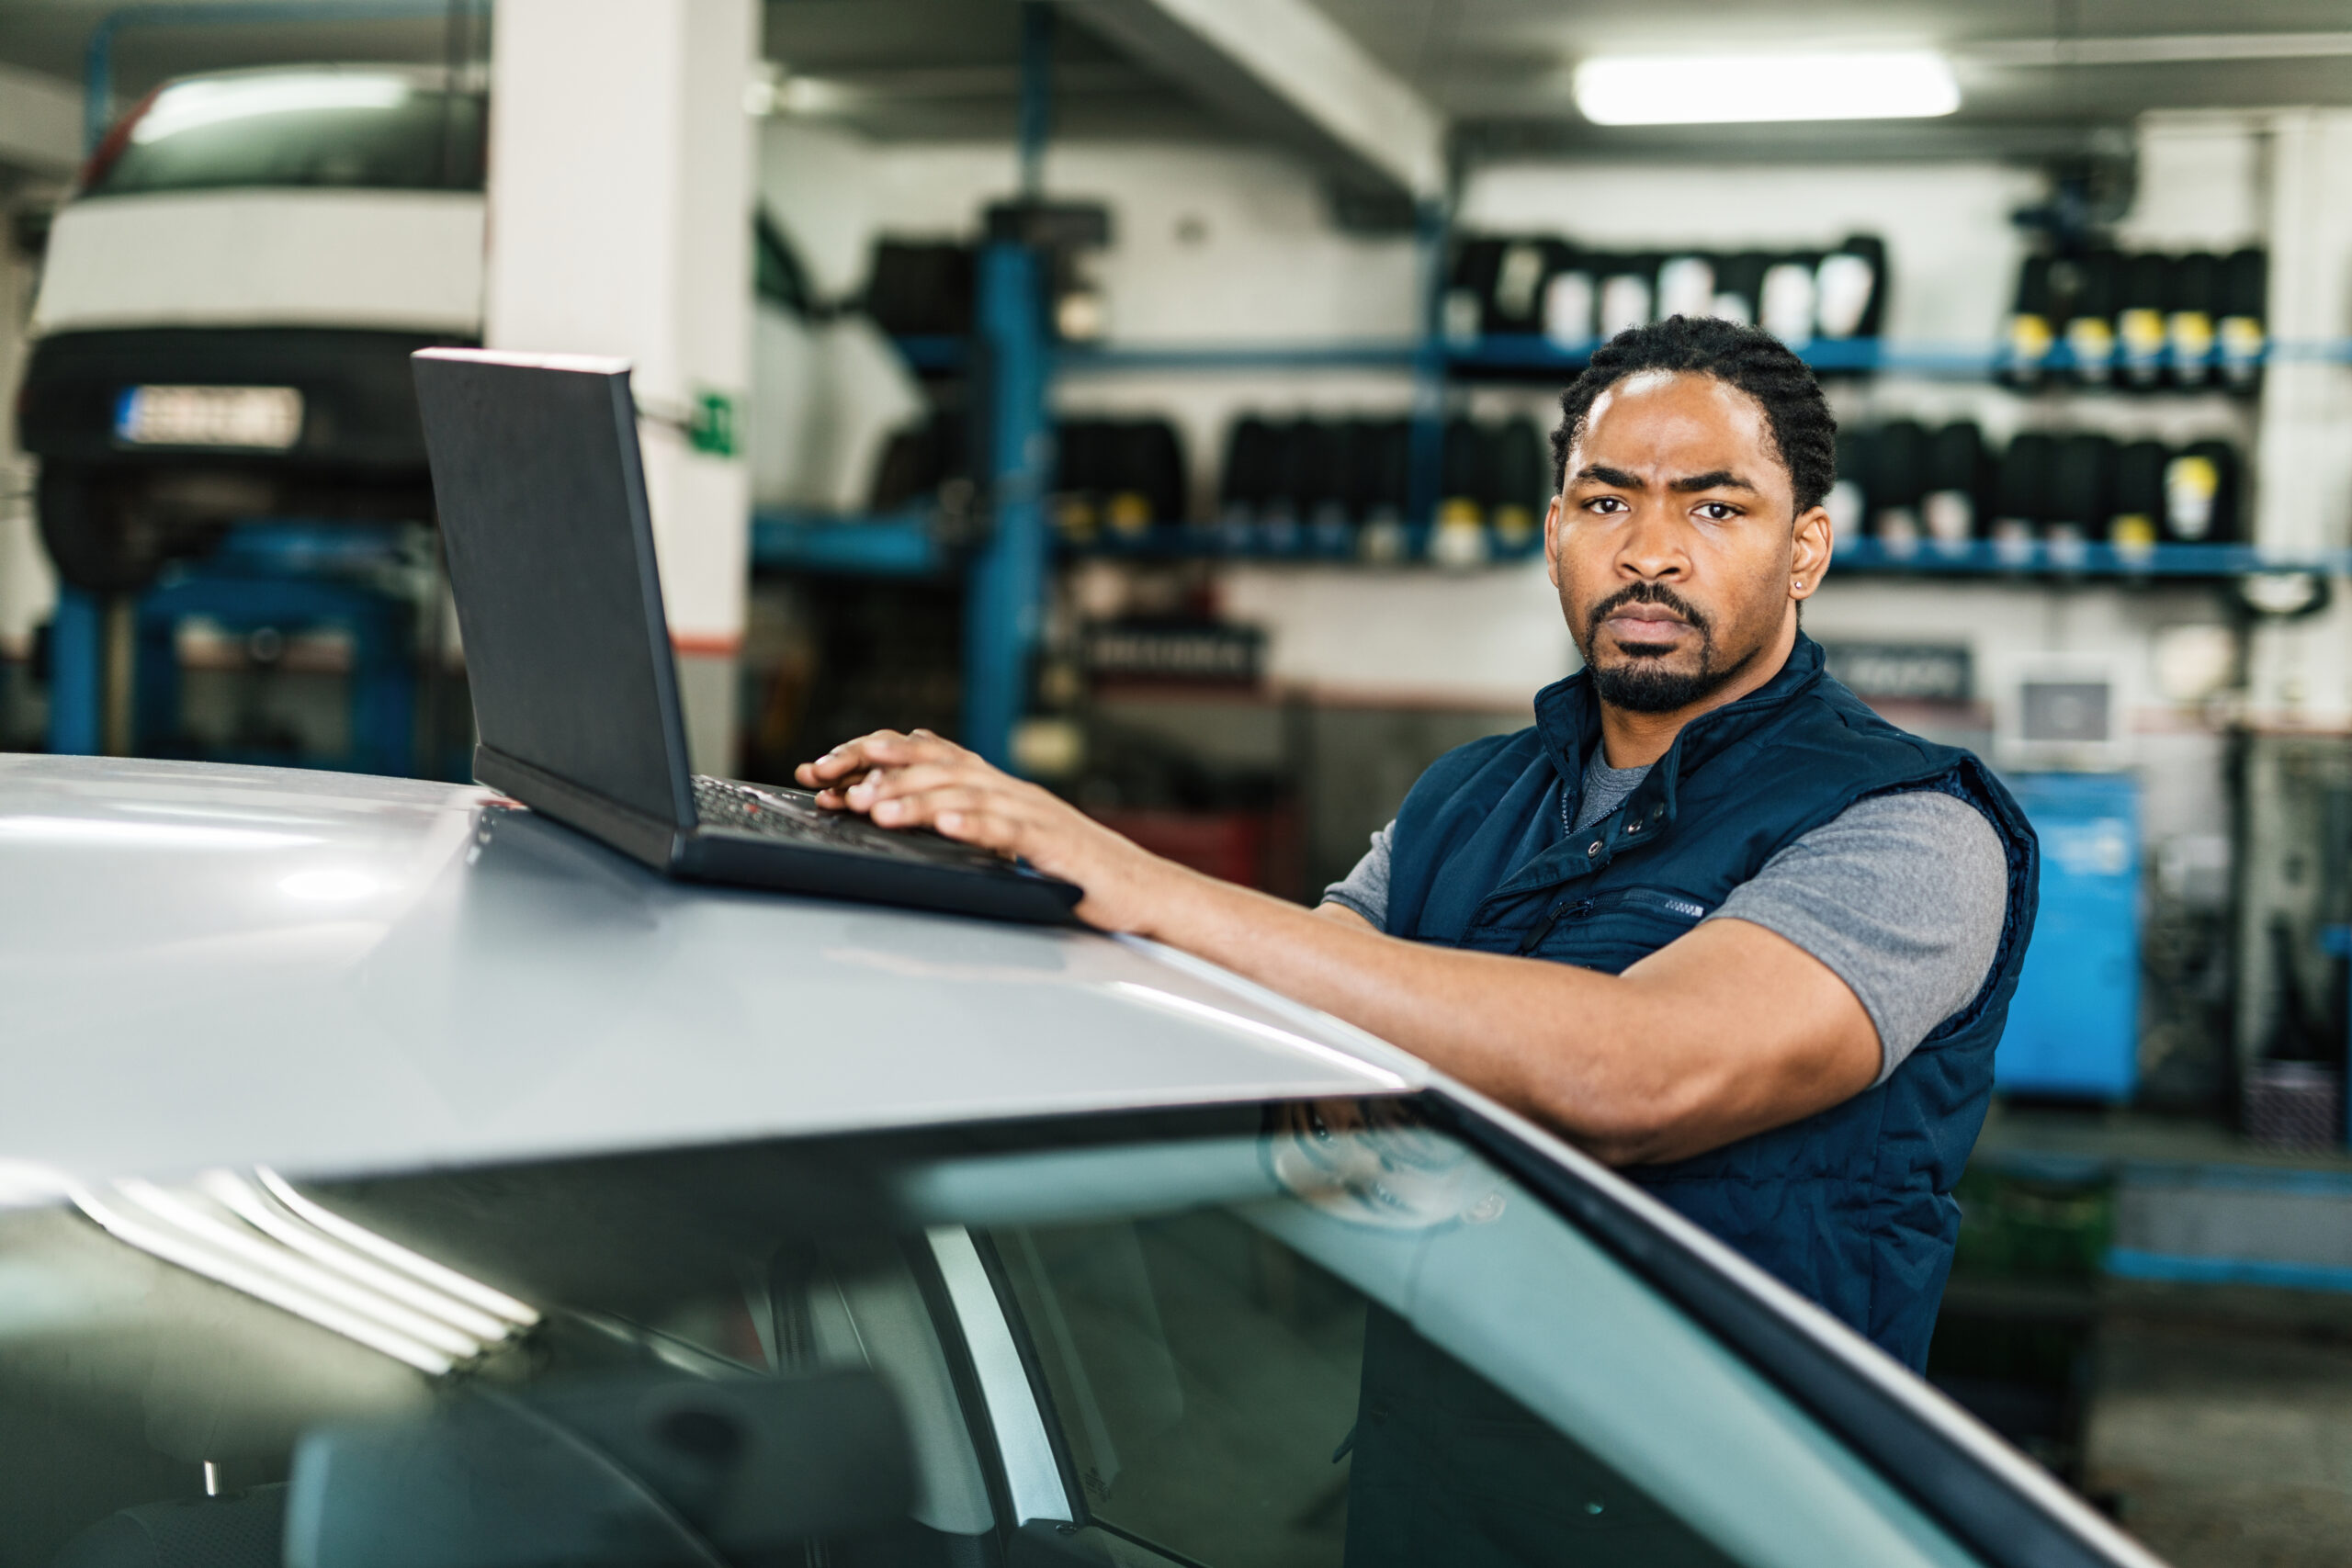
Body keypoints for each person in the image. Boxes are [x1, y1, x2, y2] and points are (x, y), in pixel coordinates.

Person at [797, 316, 2038, 1372]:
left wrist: (1128, 879)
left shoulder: (1909, 828)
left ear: (1805, 549)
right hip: (1447, 1456)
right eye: (1608, 501)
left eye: (1716, 508)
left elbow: (1637, 1077)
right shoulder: (1463, 798)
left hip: (1737, 1505)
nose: (1651, 551)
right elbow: (1301, 1042)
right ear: (1556, 530)